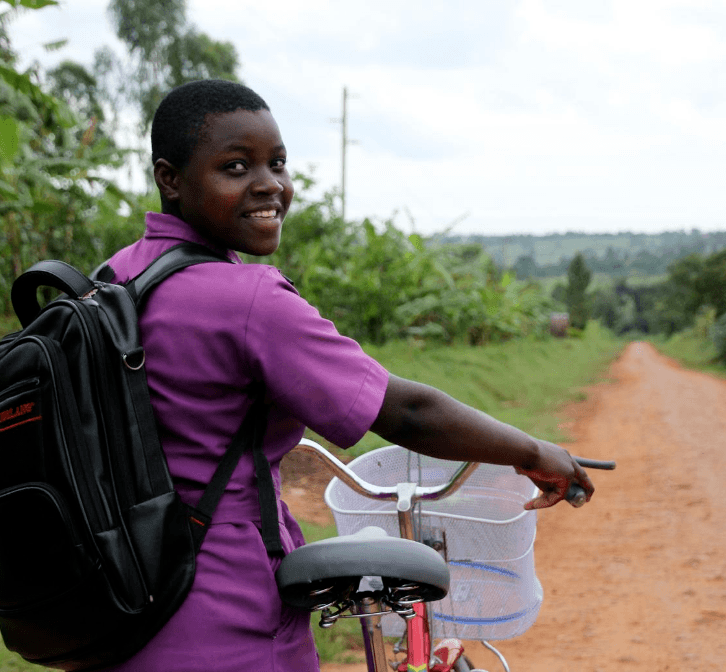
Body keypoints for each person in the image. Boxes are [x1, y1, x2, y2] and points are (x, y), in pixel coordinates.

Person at [101, 79, 594, 672]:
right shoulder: (248, 299)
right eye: (236, 166)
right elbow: (405, 412)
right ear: (171, 179)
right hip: (224, 611)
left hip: (118, 602)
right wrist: (535, 450)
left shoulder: (114, 279)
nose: (269, 185)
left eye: (277, 163)